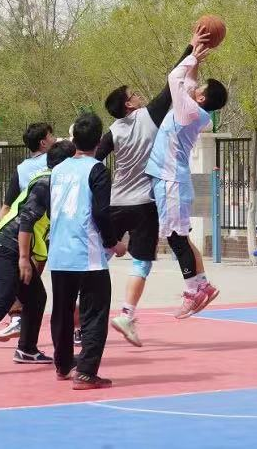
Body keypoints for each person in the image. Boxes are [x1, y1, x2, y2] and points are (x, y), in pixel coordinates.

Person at [100, 28, 209, 347]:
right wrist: (191, 49)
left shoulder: (113, 131)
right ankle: (126, 314)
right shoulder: (149, 117)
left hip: (117, 202)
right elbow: (171, 83)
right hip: (145, 204)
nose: (138, 95)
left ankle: (80, 312)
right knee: (142, 262)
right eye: (133, 94)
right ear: (129, 105)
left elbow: (93, 157)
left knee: (99, 257)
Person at [0, 140, 77, 378]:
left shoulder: (58, 183)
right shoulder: (46, 184)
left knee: (36, 297)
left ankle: (27, 349)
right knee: (2, 299)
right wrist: (23, 258)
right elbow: (27, 220)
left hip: (16, 249)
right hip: (5, 247)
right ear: (65, 164)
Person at [144, 39, 228, 319]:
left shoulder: (189, 110)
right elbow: (188, 83)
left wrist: (191, 58)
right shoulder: (195, 110)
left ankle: (193, 290)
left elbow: (174, 78)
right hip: (171, 180)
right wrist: (196, 59)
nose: (196, 87)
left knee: (175, 238)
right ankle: (202, 284)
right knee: (179, 237)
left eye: (201, 89)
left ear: (202, 98)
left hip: (171, 182)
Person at [47, 113, 126, 390]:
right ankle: (86, 372)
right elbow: (101, 212)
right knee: (95, 314)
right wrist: (112, 242)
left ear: (73, 139)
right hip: (87, 252)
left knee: (62, 311)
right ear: (99, 140)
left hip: (59, 251)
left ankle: (62, 365)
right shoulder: (97, 170)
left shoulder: (58, 170)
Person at [0, 122, 54, 343]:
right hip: (40, 231)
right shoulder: (55, 163)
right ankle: (76, 327)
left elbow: (6, 206)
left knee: (22, 281)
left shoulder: (21, 168)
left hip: (18, 232)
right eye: (51, 135)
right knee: (31, 284)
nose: (55, 139)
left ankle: (18, 320)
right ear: (43, 142)